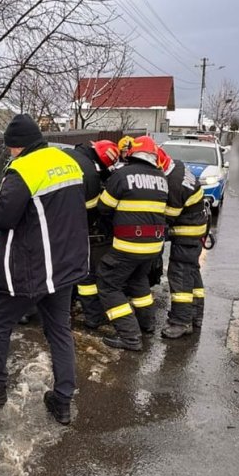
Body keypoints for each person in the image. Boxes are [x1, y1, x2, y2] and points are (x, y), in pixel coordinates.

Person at [0, 114, 89, 424]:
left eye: (11, 148)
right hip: (65, 264)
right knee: (59, 330)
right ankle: (62, 399)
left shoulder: (23, 169)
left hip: (31, 268)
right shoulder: (66, 162)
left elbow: (1, 217)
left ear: (17, 146)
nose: (11, 153)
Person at [95, 135, 169, 350]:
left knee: (108, 285)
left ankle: (130, 336)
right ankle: (147, 324)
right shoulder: (161, 178)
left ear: (132, 152)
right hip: (153, 247)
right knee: (138, 281)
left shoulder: (123, 175)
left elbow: (104, 207)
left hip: (128, 245)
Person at [71, 139, 121, 329]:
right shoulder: (91, 174)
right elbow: (92, 210)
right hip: (74, 229)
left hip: (49, 224)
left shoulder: (68, 154)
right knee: (87, 275)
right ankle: (93, 316)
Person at [160, 145, 209, 338]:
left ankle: (181, 322)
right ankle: (195, 316)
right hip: (196, 228)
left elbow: (168, 216)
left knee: (179, 274)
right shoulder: (177, 167)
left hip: (187, 231)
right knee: (191, 274)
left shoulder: (173, 183)